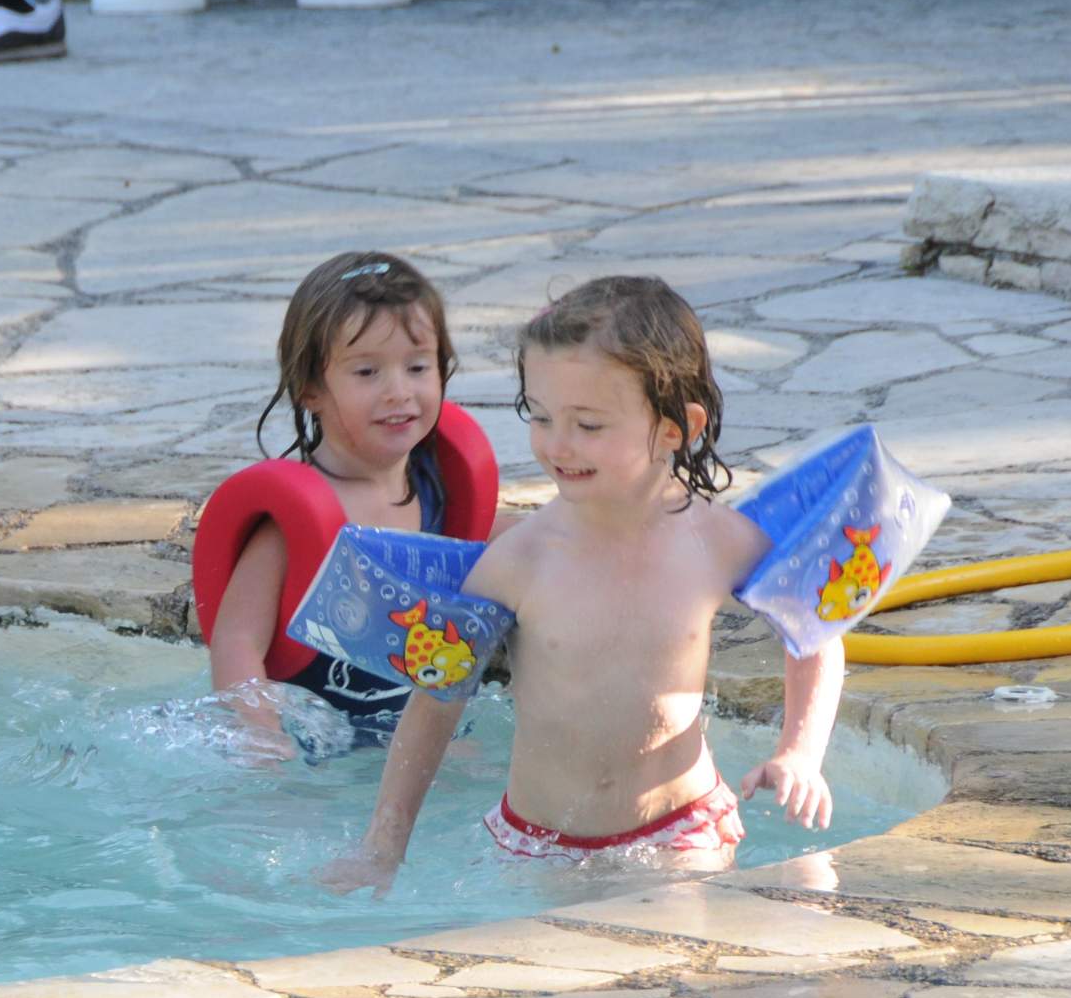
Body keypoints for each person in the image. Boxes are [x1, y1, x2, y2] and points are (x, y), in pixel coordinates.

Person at [336, 275, 842, 880]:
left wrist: (799, 754)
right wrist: (382, 846)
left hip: (681, 830)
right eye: (542, 416)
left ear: (676, 428)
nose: (558, 445)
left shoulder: (716, 541)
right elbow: (436, 700)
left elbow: (814, 629)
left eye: (588, 425)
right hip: (536, 841)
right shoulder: (521, 558)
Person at [195, 252, 498, 755]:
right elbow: (237, 643)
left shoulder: (437, 489)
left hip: (414, 735)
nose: (398, 391)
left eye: (418, 366)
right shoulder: (294, 525)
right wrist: (262, 745)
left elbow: (498, 545)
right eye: (367, 372)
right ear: (312, 388)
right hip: (322, 754)